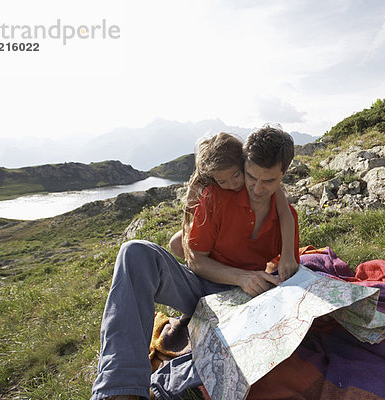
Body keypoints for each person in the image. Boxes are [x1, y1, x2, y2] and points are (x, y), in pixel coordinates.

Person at [91, 125, 299, 400]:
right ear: (244, 165)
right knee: (135, 251)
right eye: (250, 176)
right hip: (200, 287)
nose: (258, 188)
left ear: (283, 176)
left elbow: (287, 274)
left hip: (242, 304)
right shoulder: (217, 194)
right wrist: (241, 277)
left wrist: (276, 273)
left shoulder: (287, 217)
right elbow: (196, 262)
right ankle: (121, 391)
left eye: (269, 181)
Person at [168, 132, 299, 283]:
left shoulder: (277, 198)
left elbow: (284, 211)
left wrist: (288, 253)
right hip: (209, 246)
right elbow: (195, 257)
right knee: (177, 243)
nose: (257, 189)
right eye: (251, 177)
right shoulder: (212, 193)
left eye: (236, 176)